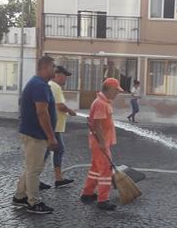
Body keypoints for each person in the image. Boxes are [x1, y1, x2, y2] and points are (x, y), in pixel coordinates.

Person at [12, 56, 58, 214]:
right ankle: (33, 202)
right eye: (53, 66)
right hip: (36, 134)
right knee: (34, 170)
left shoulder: (39, 84)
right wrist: (51, 136)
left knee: (30, 167)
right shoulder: (39, 85)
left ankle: (20, 196)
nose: (55, 69)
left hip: (32, 133)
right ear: (44, 68)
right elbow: (41, 112)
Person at [80, 78, 123, 211]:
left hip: (100, 143)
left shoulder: (102, 102)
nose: (117, 93)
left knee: (95, 169)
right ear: (109, 89)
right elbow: (98, 124)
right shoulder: (101, 103)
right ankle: (103, 200)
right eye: (116, 90)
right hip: (100, 144)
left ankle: (87, 194)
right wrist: (103, 144)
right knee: (105, 170)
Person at [39, 65, 77, 190]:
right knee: (50, 152)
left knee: (54, 151)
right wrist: (70, 110)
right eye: (65, 76)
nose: (65, 79)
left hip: (54, 125)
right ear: (59, 75)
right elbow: (60, 106)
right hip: (53, 126)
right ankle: (41, 179)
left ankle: (57, 178)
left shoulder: (50, 85)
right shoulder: (55, 87)